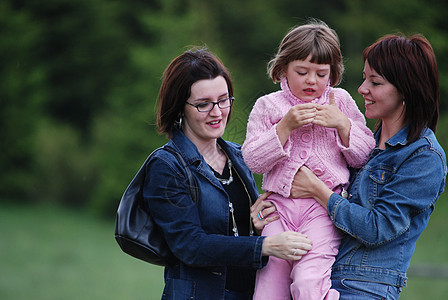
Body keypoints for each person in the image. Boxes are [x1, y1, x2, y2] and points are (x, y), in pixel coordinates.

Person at [143, 47, 312, 300]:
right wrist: (264, 245)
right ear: (179, 108)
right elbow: (190, 245)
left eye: (223, 100)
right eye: (203, 104)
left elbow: (235, 230)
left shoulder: (240, 156)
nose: (217, 111)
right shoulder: (167, 165)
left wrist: (257, 226)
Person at [289, 34, 447, 299]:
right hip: (321, 279)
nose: (362, 88)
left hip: (364, 289)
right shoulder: (361, 143)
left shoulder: (424, 157)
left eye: (375, 82)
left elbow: (378, 228)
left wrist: (318, 190)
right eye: (365, 78)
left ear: (406, 89)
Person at [242, 20, 376, 300]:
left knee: (308, 283)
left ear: (333, 74)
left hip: (322, 210)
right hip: (277, 210)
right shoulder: (268, 106)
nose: (311, 80)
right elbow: (253, 160)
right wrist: (284, 128)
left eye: (321, 73)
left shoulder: (340, 101)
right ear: (283, 69)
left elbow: (364, 154)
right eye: (301, 72)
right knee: (268, 289)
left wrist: (343, 125)